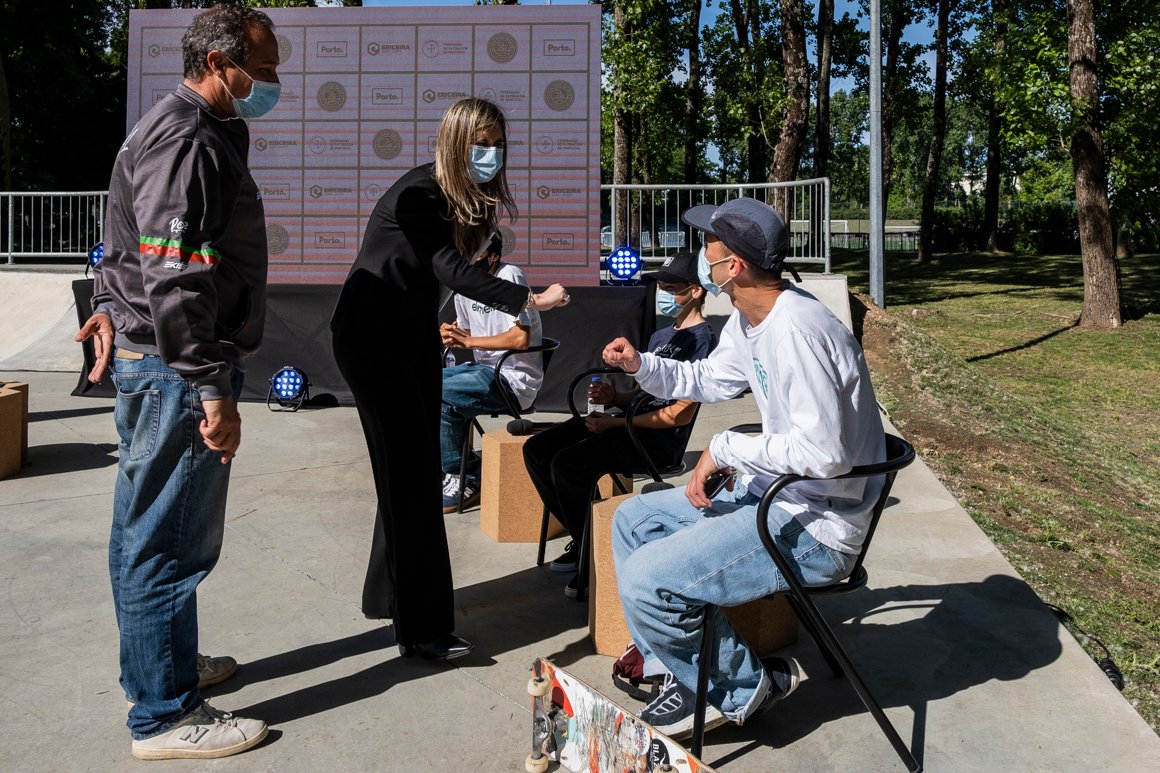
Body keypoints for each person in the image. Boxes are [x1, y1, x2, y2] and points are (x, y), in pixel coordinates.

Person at [72, 5, 280, 760]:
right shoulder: (186, 135)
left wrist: (105, 303)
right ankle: (164, 713)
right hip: (175, 367)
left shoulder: (181, 126)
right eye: (264, 67)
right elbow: (172, 267)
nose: (273, 82)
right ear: (220, 62)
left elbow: (124, 240)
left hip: (159, 359)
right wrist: (210, 386)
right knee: (165, 537)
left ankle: (163, 663)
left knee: (152, 527)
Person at [601, 197, 887, 739]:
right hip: (779, 497)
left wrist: (729, 448)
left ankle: (744, 688)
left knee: (647, 579)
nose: (701, 256)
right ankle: (678, 669)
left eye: (707, 246)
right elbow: (710, 379)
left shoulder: (798, 330)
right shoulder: (750, 317)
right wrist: (641, 364)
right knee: (633, 521)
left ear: (733, 265)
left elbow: (824, 455)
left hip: (817, 528)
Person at [331, 97, 569, 661]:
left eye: (498, 144)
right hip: (372, 341)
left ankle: (392, 597)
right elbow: (450, 269)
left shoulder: (469, 202)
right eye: (480, 144)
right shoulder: (418, 194)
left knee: (408, 474)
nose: (491, 154)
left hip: (411, 336)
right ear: (455, 143)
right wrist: (528, 299)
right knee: (412, 479)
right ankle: (423, 630)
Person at [522, 251, 716, 598]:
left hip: (656, 441)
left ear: (696, 291)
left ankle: (593, 552)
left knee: (568, 464)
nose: (663, 295)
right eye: (661, 287)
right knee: (537, 449)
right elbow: (644, 396)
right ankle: (585, 537)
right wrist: (614, 397)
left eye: (671, 288)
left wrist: (614, 424)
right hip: (629, 424)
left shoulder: (703, 340)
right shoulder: (661, 337)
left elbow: (678, 414)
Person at [440, 234, 544, 513]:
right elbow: (466, 331)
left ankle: (467, 475)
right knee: (422, 384)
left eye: (474, 256)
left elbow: (520, 339)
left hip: (512, 379)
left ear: (493, 257)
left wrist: (470, 342)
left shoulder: (509, 276)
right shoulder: (464, 286)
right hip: (484, 371)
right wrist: (449, 333)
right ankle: (449, 467)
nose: (466, 262)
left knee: (440, 394)